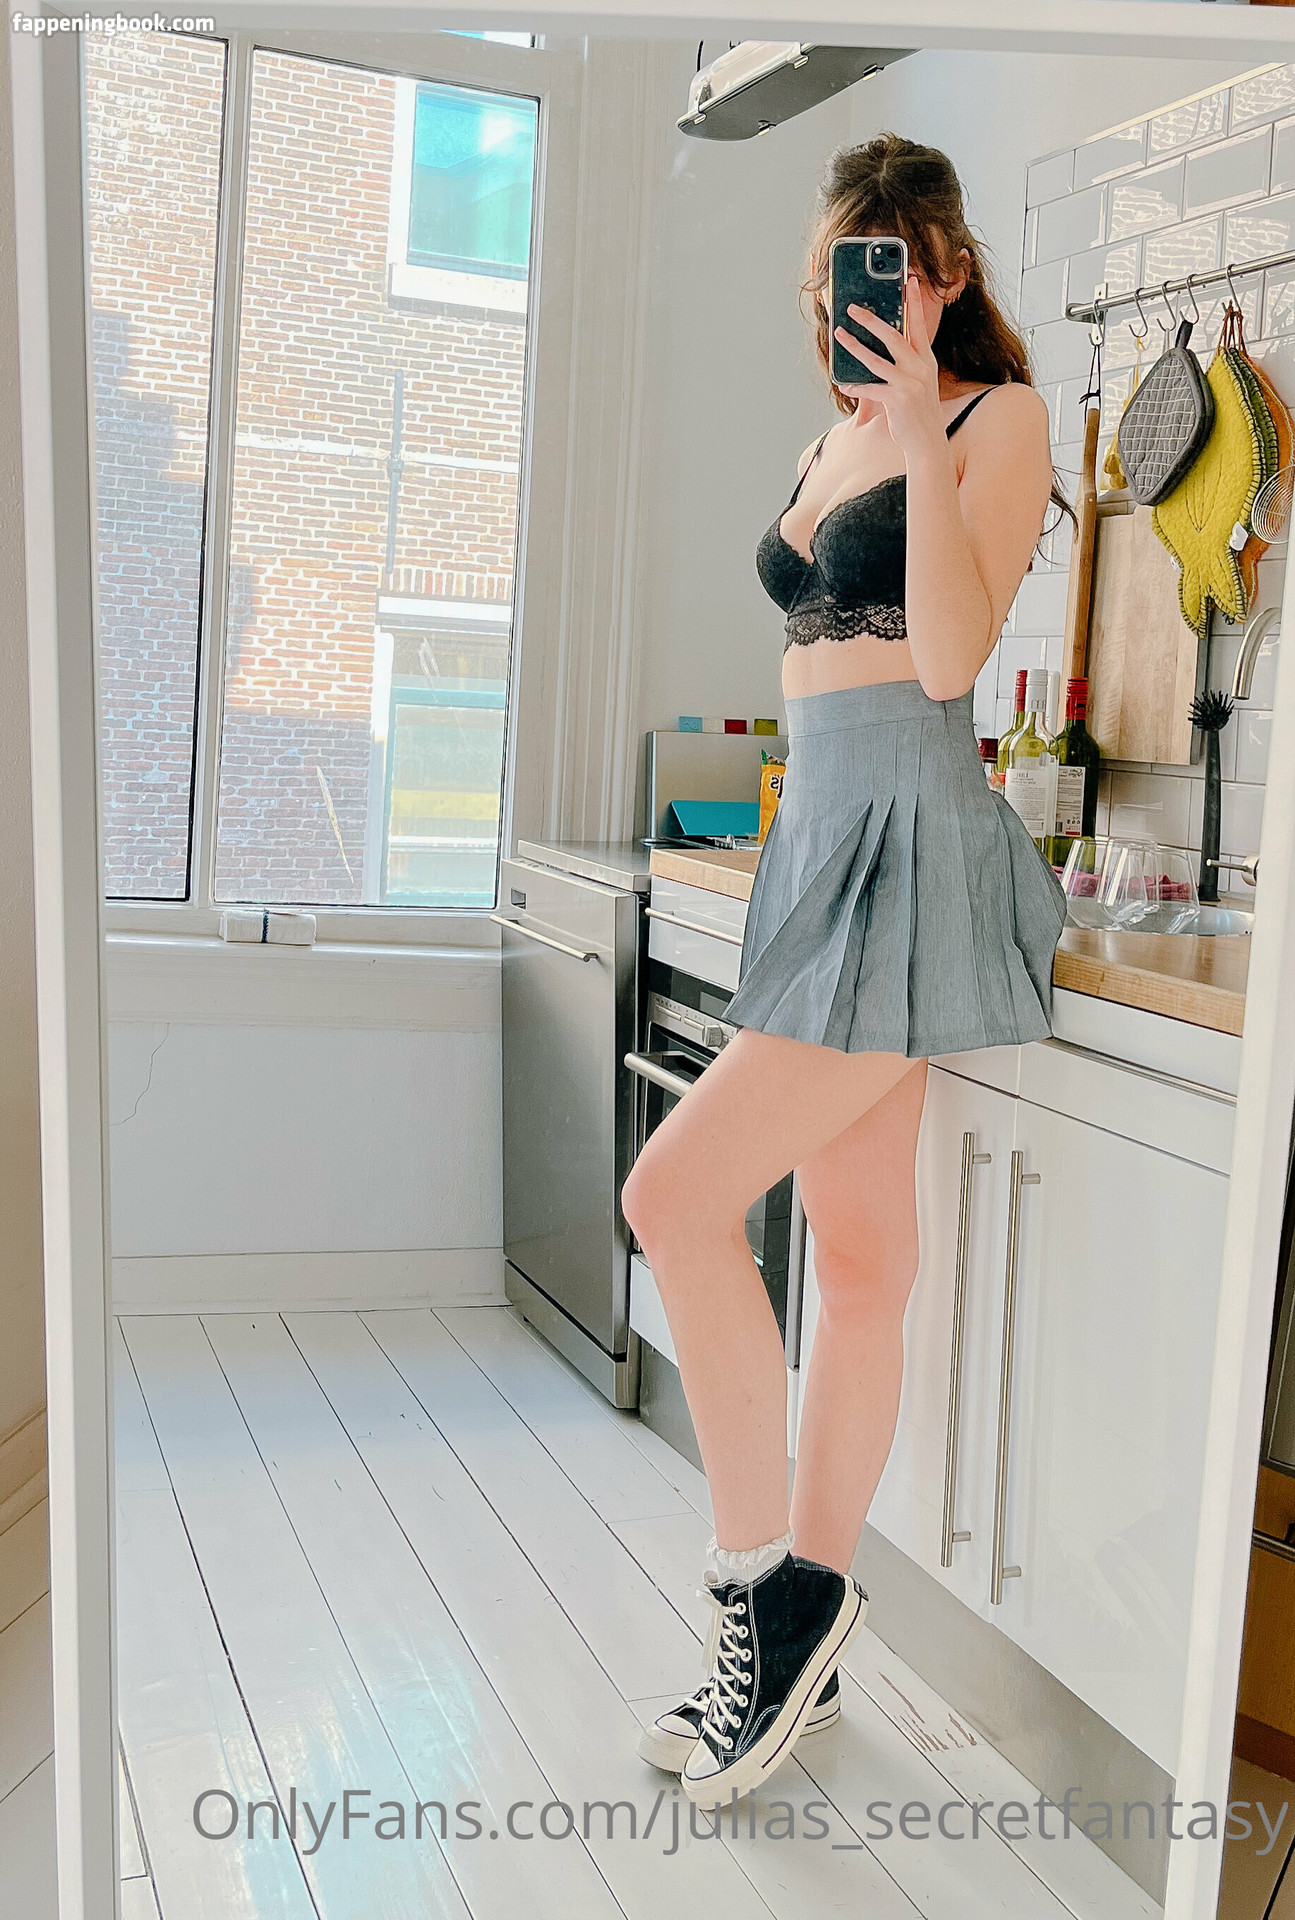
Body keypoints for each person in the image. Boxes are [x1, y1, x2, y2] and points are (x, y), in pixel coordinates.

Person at [623, 133, 1068, 1807]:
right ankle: (803, 1631)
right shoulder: (829, 437)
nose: (863, 297)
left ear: (947, 272)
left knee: (672, 1199)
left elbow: (947, 657)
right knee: (863, 1258)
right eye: (841, 275)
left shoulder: (991, 420)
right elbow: (820, 653)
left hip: (912, 839)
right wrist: (872, 424)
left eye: (893, 265)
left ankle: (765, 1603)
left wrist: (916, 414)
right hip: (818, 837)